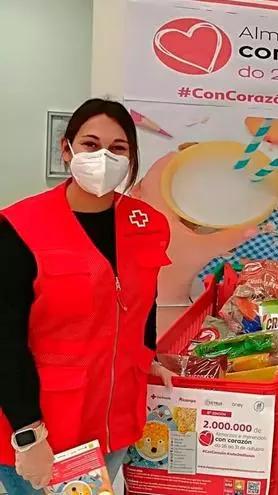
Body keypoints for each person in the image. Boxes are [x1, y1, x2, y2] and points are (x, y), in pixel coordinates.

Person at [0, 98, 176, 493]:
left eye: (118, 148)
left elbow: (143, 301)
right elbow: (5, 339)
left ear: (131, 158)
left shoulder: (146, 224)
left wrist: (147, 355)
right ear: (67, 149)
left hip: (115, 419)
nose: (103, 157)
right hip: (45, 429)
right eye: (91, 144)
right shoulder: (20, 228)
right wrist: (28, 434)